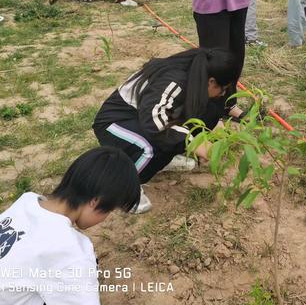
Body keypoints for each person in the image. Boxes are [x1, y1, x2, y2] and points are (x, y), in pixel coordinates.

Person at [93, 48, 236, 213]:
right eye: (223, 89)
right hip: (114, 122)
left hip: (142, 117)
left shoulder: (196, 76)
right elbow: (153, 122)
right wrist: (194, 143)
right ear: (211, 82)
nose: (223, 94)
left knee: (209, 112)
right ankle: (123, 189)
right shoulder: (175, 80)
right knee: (150, 147)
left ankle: (159, 161)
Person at [0, 147, 140, 304]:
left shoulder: (27, 201)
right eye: (110, 211)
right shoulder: (72, 251)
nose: (105, 218)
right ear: (96, 201)